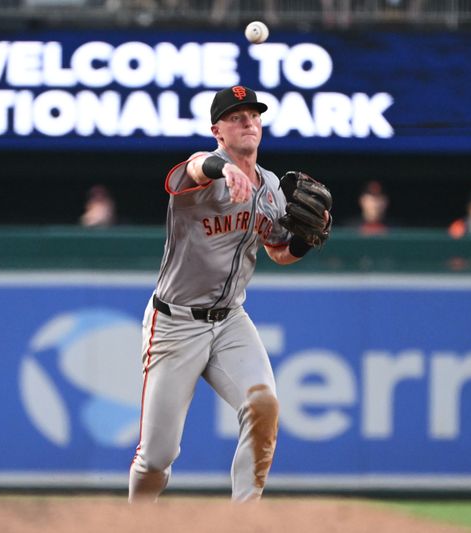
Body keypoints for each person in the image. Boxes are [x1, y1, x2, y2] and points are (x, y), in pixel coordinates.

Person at [128, 85, 328, 503]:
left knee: (263, 407)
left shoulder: (271, 187)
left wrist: (306, 240)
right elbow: (192, 169)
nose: (248, 122)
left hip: (231, 319)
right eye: (237, 117)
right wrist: (224, 169)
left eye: (254, 115)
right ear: (217, 129)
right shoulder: (201, 172)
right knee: (156, 457)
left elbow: (278, 251)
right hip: (175, 322)